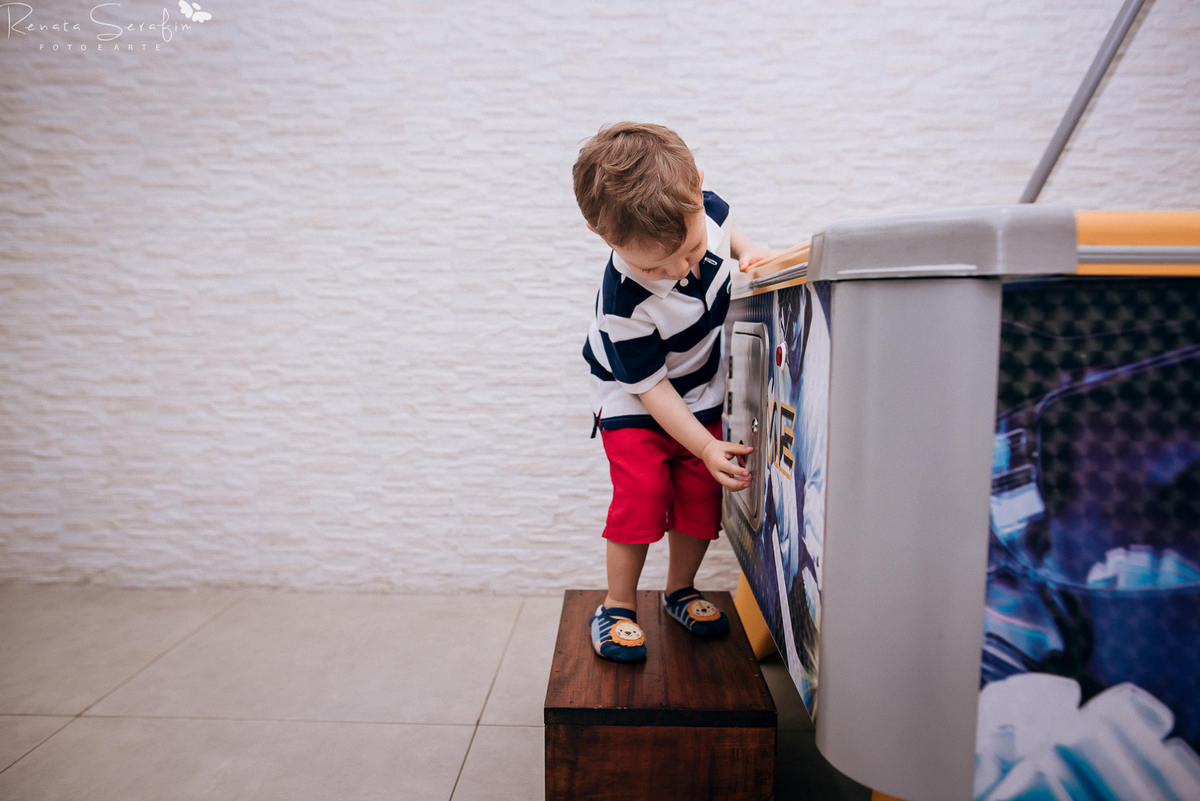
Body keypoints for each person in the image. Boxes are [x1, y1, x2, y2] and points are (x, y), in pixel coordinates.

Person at [575, 122, 776, 662]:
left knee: (700, 491)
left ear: (698, 191)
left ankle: (679, 590)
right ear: (601, 233)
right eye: (653, 266)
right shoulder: (624, 305)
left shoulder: (706, 211)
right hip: (636, 394)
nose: (678, 271)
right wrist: (705, 444)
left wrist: (748, 248)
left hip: (698, 379)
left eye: (687, 252)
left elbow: (724, 232)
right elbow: (652, 390)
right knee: (643, 493)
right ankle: (617, 605)